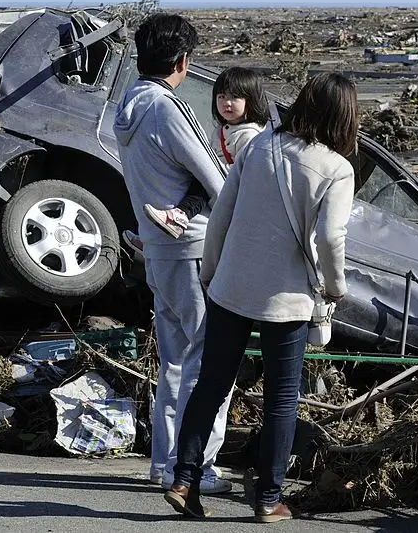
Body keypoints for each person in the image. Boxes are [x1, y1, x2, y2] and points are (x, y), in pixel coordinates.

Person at [164, 73, 359, 522]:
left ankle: (184, 480)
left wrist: (211, 273)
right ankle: (269, 499)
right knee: (281, 399)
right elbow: (331, 238)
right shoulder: (337, 168)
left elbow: (220, 217)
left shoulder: (260, 146)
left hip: (231, 286)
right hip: (286, 299)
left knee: (211, 385)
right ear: (345, 116)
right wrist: (336, 287)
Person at [112, 13, 232, 494]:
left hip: (158, 249)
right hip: (194, 248)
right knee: (208, 361)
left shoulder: (128, 106)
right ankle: (195, 467)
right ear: (182, 61)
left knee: (175, 362)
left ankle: (164, 463)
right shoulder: (168, 109)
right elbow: (219, 183)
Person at [123, 66, 269, 252]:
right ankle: (154, 237)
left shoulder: (249, 134)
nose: (227, 103)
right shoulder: (222, 129)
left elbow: (247, 171)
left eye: (235, 97)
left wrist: (210, 172)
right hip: (216, 183)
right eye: (222, 97)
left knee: (197, 186)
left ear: (251, 100)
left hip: (228, 188)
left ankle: (175, 221)